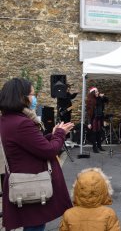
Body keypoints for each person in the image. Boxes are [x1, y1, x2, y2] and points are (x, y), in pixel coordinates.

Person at [0, 78, 74, 231]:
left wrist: (52, 135)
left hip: (24, 180)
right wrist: (60, 134)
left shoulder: (8, 119)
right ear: (21, 96)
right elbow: (49, 151)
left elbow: (30, 144)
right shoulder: (22, 123)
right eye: (32, 94)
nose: (34, 98)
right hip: (32, 183)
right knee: (35, 225)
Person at [86, 86, 108, 153]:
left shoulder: (99, 99)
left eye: (98, 91)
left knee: (99, 133)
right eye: (96, 92)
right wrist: (89, 122)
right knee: (94, 133)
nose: (97, 92)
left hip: (100, 118)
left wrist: (103, 96)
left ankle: (99, 146)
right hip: (94, 119)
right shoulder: (90, 100)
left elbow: (107, 100)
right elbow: (88, 113)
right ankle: (94, 147)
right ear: (92, 93)